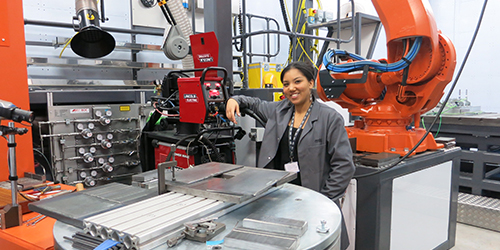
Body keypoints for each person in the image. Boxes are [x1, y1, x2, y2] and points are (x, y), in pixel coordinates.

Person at [226, 61, 355, 250]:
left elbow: (344, 166)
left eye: (297, 81)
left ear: (311, 83)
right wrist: (234, 100)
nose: (291, 88)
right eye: (286, 84)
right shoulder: (278, 111)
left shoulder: (330, 118)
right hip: (280, 200)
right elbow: (254, 103)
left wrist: (323, 201)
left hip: (313, 201)